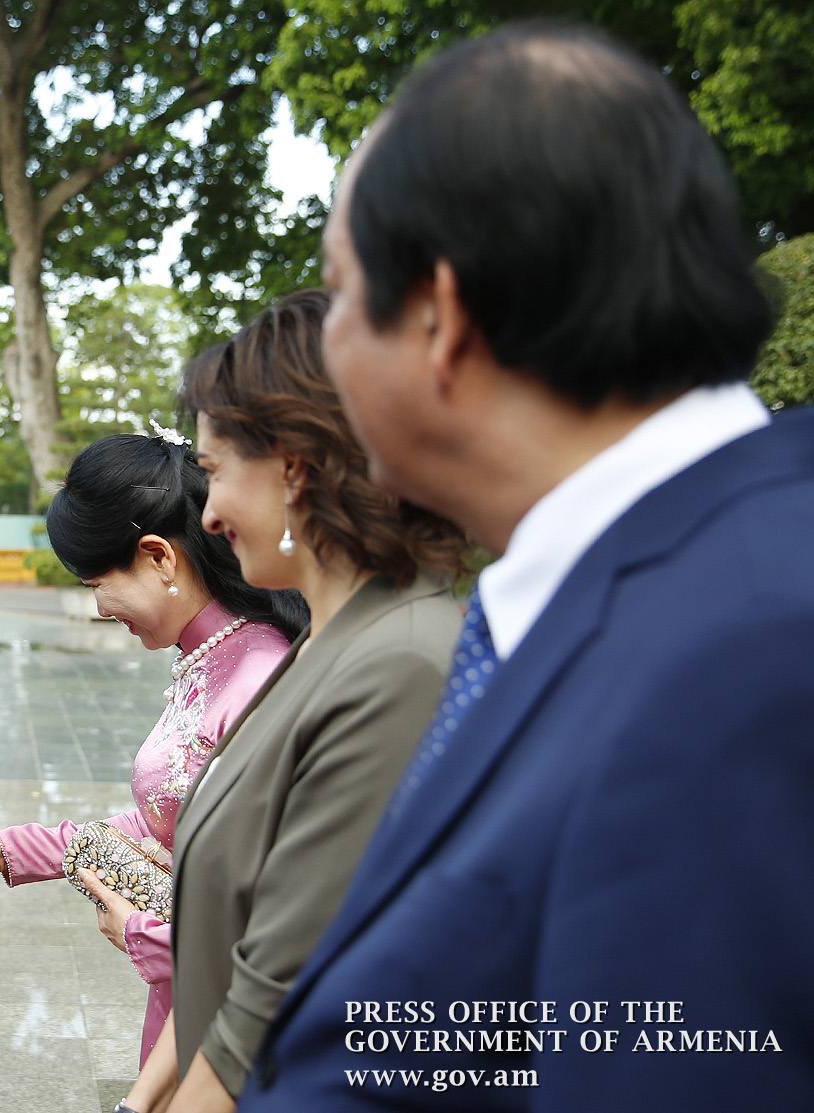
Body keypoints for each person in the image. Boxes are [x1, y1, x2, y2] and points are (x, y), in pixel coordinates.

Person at [242, 24, 814, 1113]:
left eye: (342, 292)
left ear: (440, 314)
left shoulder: (748, 656)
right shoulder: (642, 588)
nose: (329, 347)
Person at [120, 289, 468, 1113]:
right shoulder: (326, 641)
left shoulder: (399, 663)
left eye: (214, 473)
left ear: (295, 467)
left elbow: (269, 998)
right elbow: (235, 949)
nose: (208, 515)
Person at [0, 432, 307, 1067]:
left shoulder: (257, 678)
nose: (100, 608)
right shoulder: (214, 655)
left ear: (159, 556)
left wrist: (147, 935)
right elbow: (170, 815)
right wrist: (6, 848)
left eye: (96, 582)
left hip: (235, 1032)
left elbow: (290, 907)